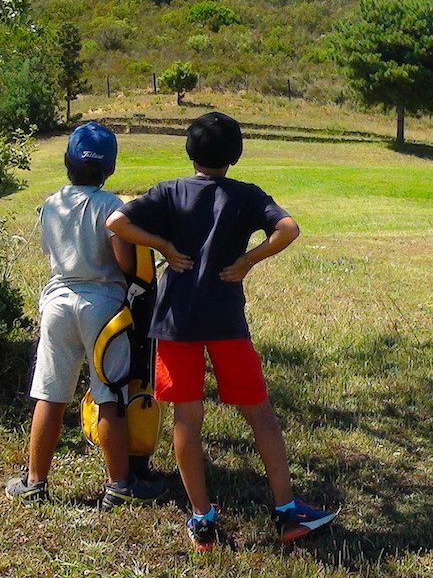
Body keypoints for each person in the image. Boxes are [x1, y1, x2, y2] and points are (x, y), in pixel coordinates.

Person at [107, 111, 338, 551]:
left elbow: (116, 223)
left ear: (189, 152)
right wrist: (248, 261)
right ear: (236, 155)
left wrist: (163, 246)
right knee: (259, 413)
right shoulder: (247, 196)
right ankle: (287, 513)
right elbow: (288, 229)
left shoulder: (169, 192)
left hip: (175, 323)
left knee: (186, 419)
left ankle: (202, 519)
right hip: (227, 322)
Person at [7, 121, 167, 509]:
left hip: (58, 303)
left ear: (67, 162)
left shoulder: (50, 204)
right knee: (108, 395)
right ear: (109, 168)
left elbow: (53, 254)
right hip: (103, 311)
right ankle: (119, 485)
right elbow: (125, 263)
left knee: (50, 395)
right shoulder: (111, 206)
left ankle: (34, 482)